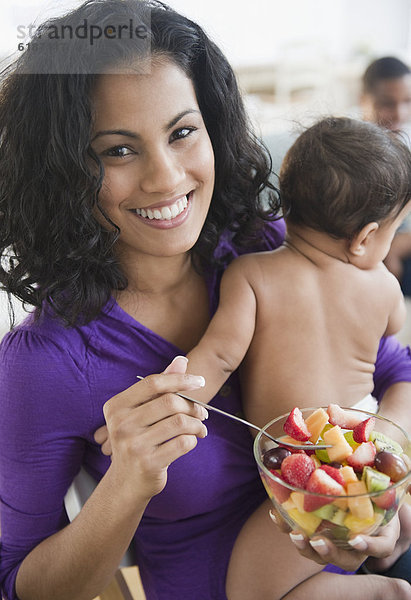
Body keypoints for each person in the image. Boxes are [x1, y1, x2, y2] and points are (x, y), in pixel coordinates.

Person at [0, 2, 410, 600]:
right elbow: (18, 586)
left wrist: (379, 505)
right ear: (62, 171)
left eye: (183, 132)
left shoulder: (271, 246)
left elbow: (394, 368)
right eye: (118, 150)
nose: (166, 179)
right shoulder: (44, 364)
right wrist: (129, 483)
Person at [181, 116, 411, 598]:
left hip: (304, 465)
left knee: (249, 591)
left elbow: (219, 356)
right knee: (383, 513)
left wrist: (172, 402)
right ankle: (393, 542)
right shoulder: (385, 289)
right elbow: (393, 332)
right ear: (366, 236)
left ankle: (385, 592)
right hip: (367, 444)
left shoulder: (250, 275)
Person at [360, 56, 411, 294]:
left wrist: (399, 245)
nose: (399, 114)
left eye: (408, 101)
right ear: (364, 101)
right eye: (387, 103)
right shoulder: (350, 154)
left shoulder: (405, 148)